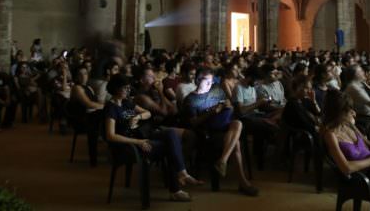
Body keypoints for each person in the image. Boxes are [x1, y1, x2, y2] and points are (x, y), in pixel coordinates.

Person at [104, 74, 201, 202]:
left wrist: (138, 117)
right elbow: (110, 136)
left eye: (128, 88)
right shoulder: (111, 108)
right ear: (116, 88)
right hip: (128, 144)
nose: (128, 91)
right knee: (170, 146)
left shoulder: (126, 102)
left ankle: (182, 173)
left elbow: (147, 113)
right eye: (125, 88)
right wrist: (138, 142)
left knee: (171, 133)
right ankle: (176, 189)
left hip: (140, 135)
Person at [183, 67, 259, 196]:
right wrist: (211, 112)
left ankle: (223, 160)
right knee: (236, 144)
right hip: (208, 130)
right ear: (197, 80)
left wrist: (226, 105)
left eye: (211, 81)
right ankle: (242, 182)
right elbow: (193, 123)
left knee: (238, 123)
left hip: (224, 123)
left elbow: (227, 101)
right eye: (207, 81)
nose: (210, 84)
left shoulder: (216, 89)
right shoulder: (190, 99)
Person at [68, 65, 104, 166]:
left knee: (108, 117)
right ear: (76, 77)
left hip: (90, 116)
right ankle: (94, 158)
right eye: (80, 74)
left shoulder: (89, 87)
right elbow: (88, 104)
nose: (83, 76)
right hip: (80, 120)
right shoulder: (76, 88)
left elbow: (96, 103)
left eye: (85, 73)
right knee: (101, 118)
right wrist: (105, 106)